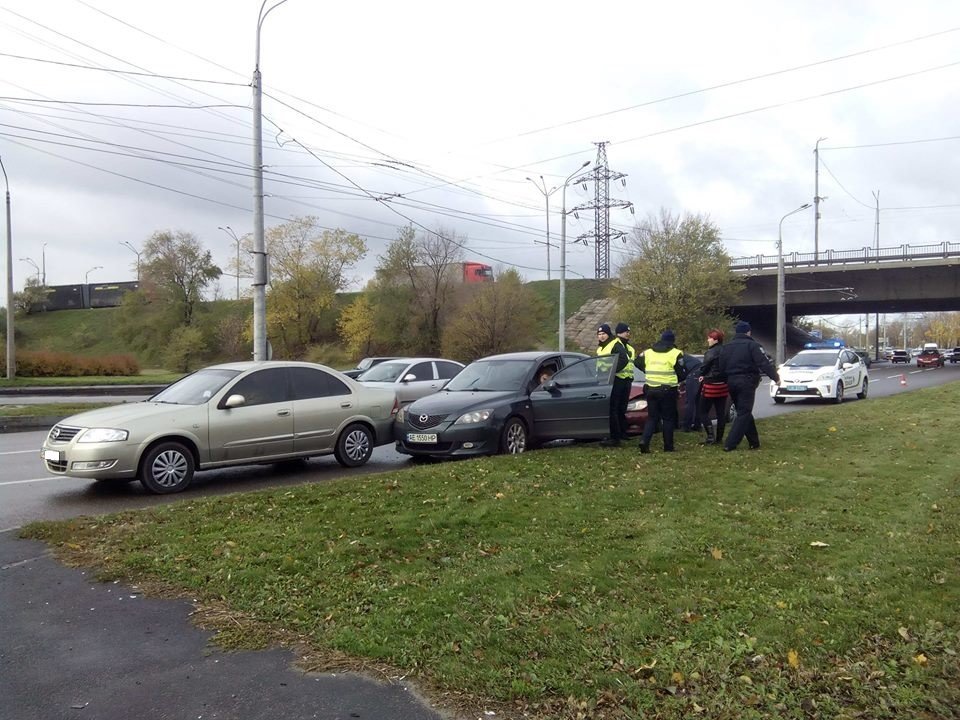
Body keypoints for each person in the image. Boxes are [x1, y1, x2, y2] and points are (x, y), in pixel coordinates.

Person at [718, 321, 779, 451]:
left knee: (743, 411)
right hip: (747, 381)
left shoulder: (726, 347)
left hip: (731, 381)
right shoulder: (753, 346)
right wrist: (776, 378)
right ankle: (730, 443)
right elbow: (764, 363)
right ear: (748, 332)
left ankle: (754, 442)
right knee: (744, 412)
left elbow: (721, 367)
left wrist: (726, 380)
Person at [635, 329, 686, 454]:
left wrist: (647, 370)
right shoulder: (675, 353)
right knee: (668, 418)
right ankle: (668, 446)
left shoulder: (648, 352)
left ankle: (644, 441)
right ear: (672, 341)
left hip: (651, 388)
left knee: (652, 418)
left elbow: (637, 362)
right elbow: (681, 373)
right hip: (667, 389)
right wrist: (677, 379)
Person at [596, 323, 629, 447]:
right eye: (599, 334)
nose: (601, 336)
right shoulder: (600, 348)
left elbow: (623, 360)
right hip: (604, 380)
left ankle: (615, 438)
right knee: (611, 408)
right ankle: (614, 435)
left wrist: (612, 371)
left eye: (603, 334)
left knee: (613, 408)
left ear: (608, 334)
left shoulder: (615, 344)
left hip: (616, 379)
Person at [697, 329, 729, 445]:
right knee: (721, 413)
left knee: (703, 411)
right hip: (723, 385)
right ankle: (719, 438)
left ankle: (710, 436)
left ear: (715, 339)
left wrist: (701, 375)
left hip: (710, 385)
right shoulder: (726, 351)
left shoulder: (710, 352)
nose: (708, 340)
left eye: (710, 338)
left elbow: (704, 367)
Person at [611, 322, 636, 442]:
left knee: (623, 408)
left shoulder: (630, 348)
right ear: (619, 332)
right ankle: (617, 434)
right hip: (617, 379)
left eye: (629, 332)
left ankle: (623, 432)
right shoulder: (616, 345)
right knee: (616, 408)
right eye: (626, 332)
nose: (628, 334)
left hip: (627, 380)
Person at [681, 353, 703, 431]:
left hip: (693, 374)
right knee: (697, 401)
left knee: (690, 402)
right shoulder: (684, 356)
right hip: (700, 374)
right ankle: (697, 425)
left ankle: (686, 426)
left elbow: (679, 372)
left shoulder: (676, 357)